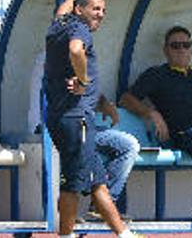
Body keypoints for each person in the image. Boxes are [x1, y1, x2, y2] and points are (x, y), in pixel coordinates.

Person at [44, 0, 142, 238]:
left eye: (103, 10)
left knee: (95, 179)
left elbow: (61, 10)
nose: (100, 14)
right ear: (79, 10)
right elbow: (76, 50)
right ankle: (70, 235)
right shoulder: (79, 28)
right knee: (75, 181)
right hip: (77, 119)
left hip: (60, 117)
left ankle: (121, 233)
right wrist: (84, 80)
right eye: (95, 8)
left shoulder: (59, 25)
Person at [120, 25, 192, 228]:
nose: (182, 49)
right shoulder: (157, 74)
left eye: (186, 45)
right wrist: (152, 113)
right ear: (166, 50)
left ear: (191, 49)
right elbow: (126, 99)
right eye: (175, 45)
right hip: (185, 133)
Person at [28, 51, 140, 219]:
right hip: (51, 128)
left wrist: (104, 105)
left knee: (127, 144)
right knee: (81, 151)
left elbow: (84, 89)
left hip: (82, 127)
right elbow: (72, 90)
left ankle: (102, 205)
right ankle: (81, 212)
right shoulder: (52, 56)